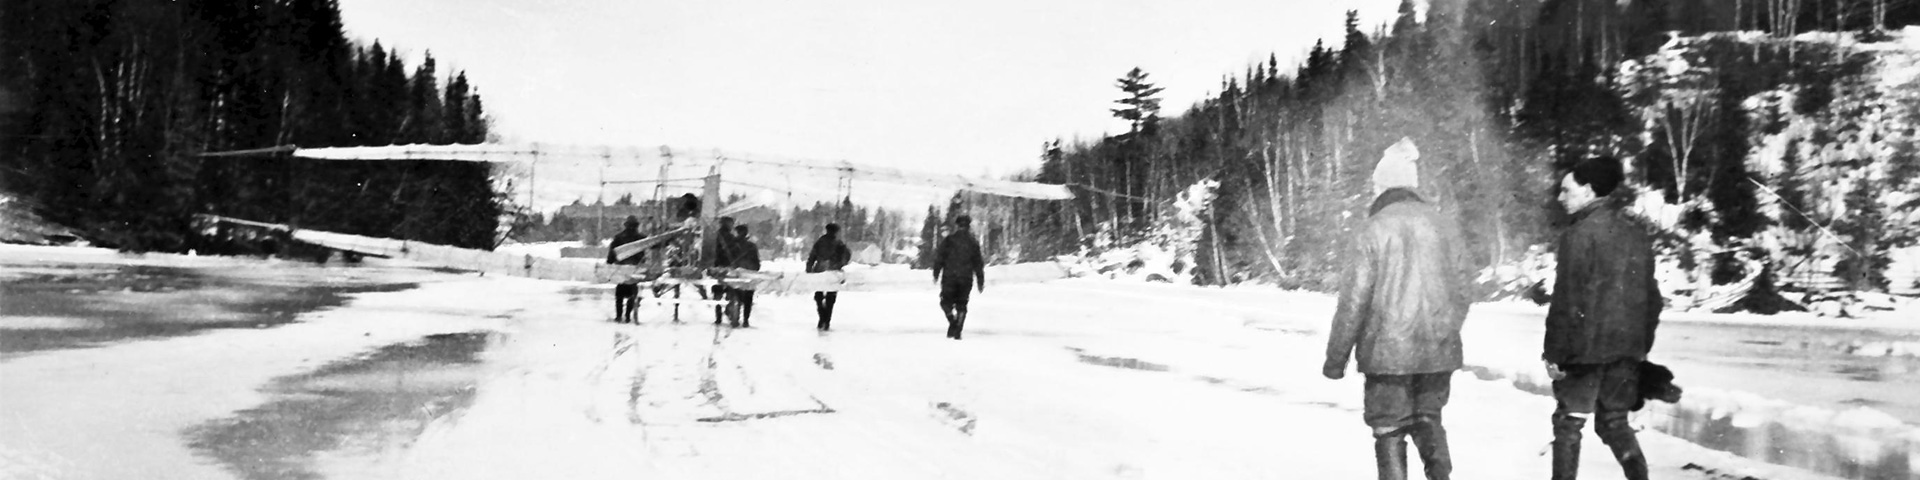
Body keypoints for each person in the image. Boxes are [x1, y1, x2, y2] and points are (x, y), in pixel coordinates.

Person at [1322, 138, 1468, 480]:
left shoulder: (1371, 230)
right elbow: (1464, 289)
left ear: (1382, 186)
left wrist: (1335, 360)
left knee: (1389, 429)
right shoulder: (1445, 226)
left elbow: (1354, 302)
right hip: (1437, 352)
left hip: (1387, 356)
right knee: (1429, 419)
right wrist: (1445, 329)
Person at [1543, 156, 1661, 480]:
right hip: (1627, 351)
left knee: (1569, 424)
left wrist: (1553, 354)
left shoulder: (1578, 236)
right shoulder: (1637, 234)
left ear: (1589, 190)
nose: (1560, 198)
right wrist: (1640, 345)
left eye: (1567, 191)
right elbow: (1653, 299)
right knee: (1614, 422)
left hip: (1584, 352)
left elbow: (1567, 301)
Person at [932, 215, 986, 340]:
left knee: (945, 302)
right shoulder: (973, 243)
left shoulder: (949, 241)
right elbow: (978, 263)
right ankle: (958, 329)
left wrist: (936, 273)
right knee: (962, 304)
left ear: (957, 225)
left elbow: (939, 258)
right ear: (969, 226)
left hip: (949, 277)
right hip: (966, 278)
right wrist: (980, 280)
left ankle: (952, 322)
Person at [807, 223, 852, 330]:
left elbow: (812, 255)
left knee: (819, 296)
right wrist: (840, 264)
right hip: (833, 272)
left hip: (820, 271)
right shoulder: (839, 243)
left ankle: (823, 318)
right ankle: (826, 320)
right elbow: (846, 256)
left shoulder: (820, 242)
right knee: (830, 298)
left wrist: (809, 268)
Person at [606, 216, 647, 323]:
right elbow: (652, 246)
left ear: (626, 225)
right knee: (632, 292)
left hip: (621, 269)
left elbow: (612, 253)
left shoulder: (619, 237)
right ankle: (628, 316)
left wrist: (610, 262)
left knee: (619, 293)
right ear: (637, 226)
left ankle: (619, 316)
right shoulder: (641, 238)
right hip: (635, 269)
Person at [708, 216, 737, 325]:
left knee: (717, 293)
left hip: (716, 267)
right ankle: (729, 309)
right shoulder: (731, 237)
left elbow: (710, 252)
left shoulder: (714, 237)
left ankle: (718, 317)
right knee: (731, 289)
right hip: (728, 267)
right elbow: (736, 251)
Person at [730, 224, 762, 328]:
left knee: (736, 296)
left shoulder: (732, 245)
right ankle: (746, 320)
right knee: (748, 298)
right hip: (749, 273)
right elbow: (757, 263)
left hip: (736, 274)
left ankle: (735, 318)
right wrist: (754, 268)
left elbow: (728, 259)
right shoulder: (752, 246)